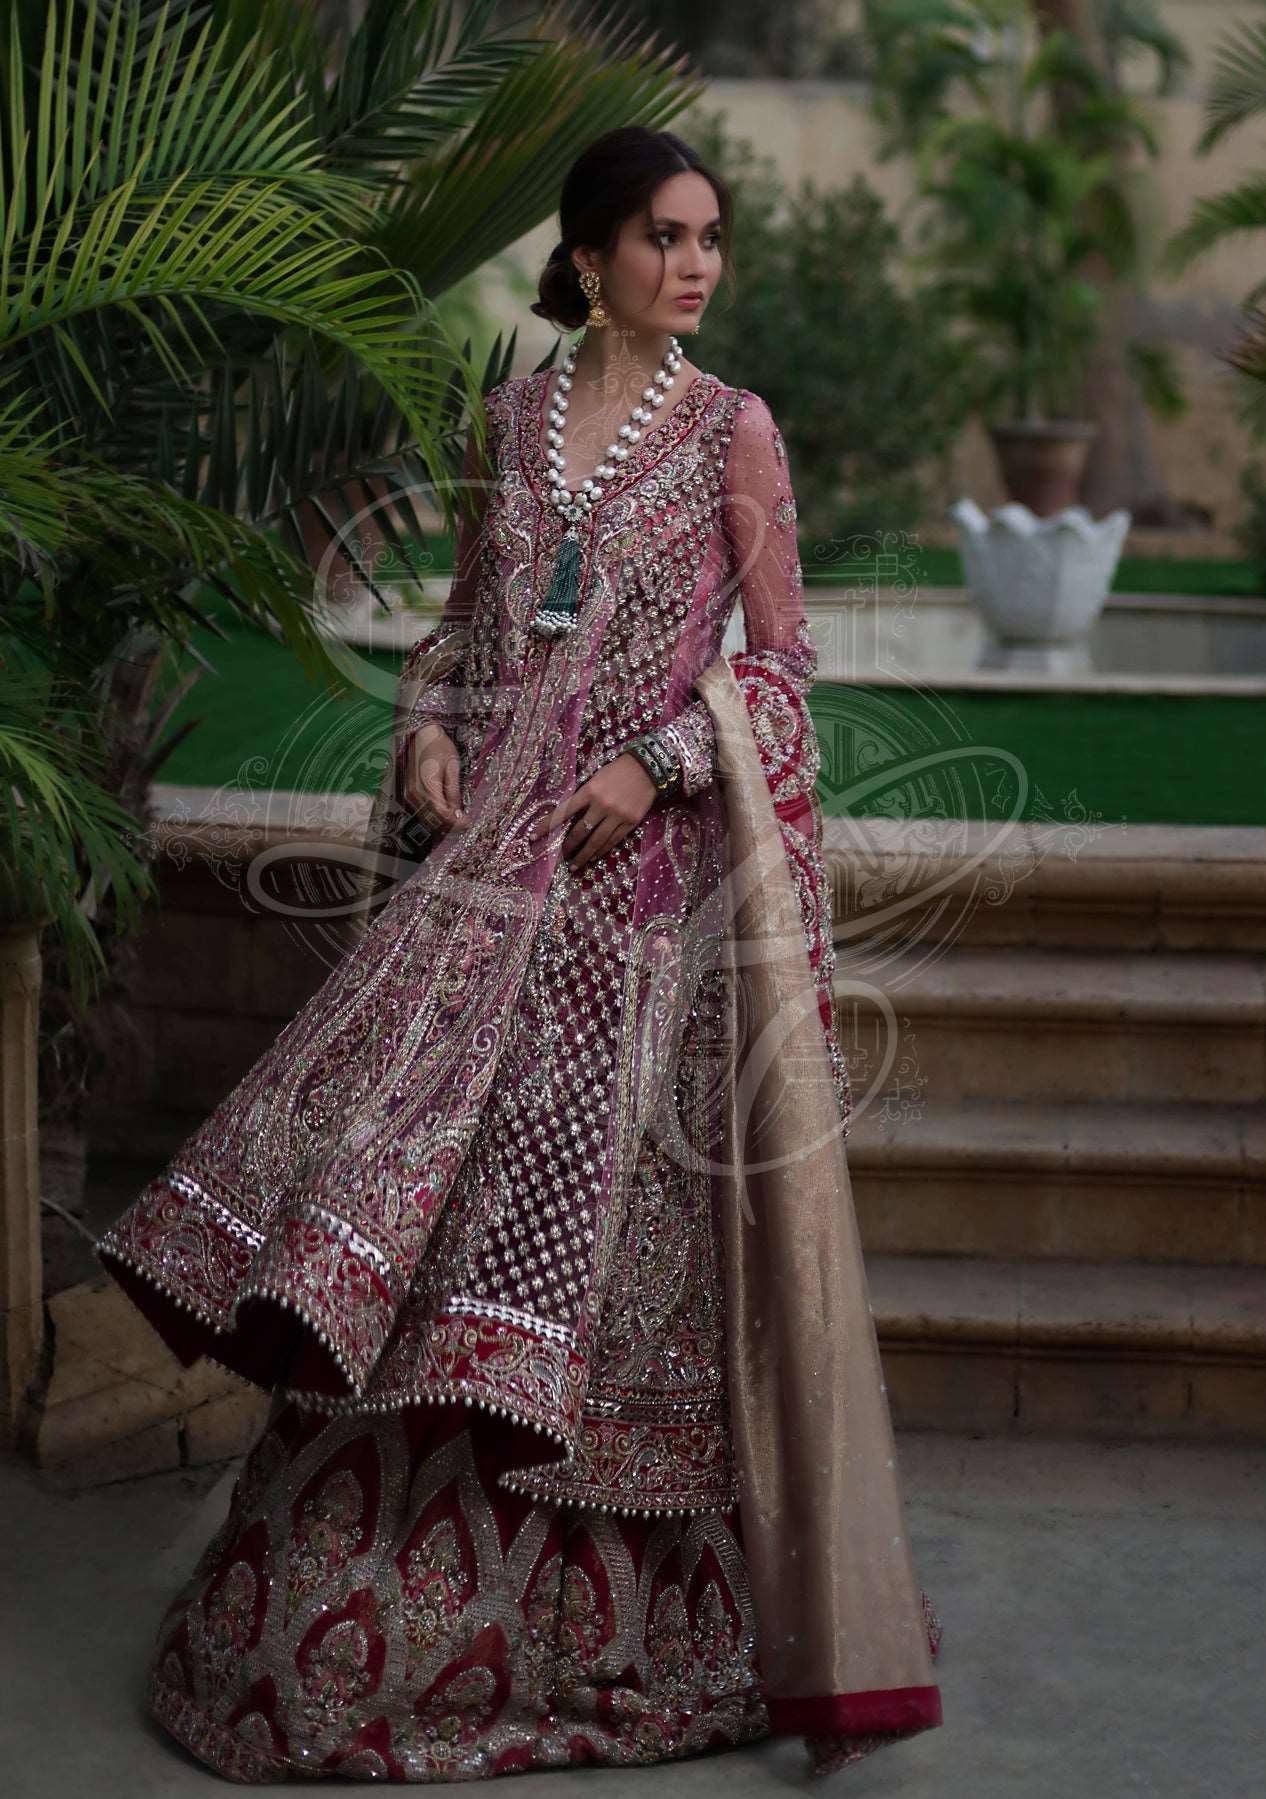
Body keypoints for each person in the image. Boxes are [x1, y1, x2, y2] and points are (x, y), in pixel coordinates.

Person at [96, 124, 943, 1783]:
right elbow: (462, 637)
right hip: (487, 896)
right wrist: (422, 730)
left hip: (633, 915)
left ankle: (598, 1628)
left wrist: (661, 762)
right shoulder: (510, 421)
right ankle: (372, 1594)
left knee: (573, 1246)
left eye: (709, 237)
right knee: (426, 1212)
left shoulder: (731, 435)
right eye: (662, 236)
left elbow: (782, 672)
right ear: (583, 256)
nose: (694, 263)